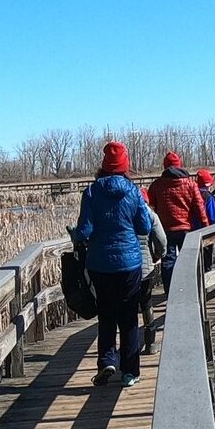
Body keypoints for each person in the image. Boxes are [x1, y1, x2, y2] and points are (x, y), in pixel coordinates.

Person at [68, 141, 151, 388]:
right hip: (129, 265)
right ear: (125, 165)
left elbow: (84, 231)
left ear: (103, 166)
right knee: (129, 318)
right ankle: (130, 372)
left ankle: (106, 362)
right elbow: (145, 227)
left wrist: (74, 235)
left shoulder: (92, 192)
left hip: (100, 265)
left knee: (106, 315)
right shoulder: (133, 191)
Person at [148, 151, 208, 291]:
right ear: (179, 165)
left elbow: (151, 208)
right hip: (186, 228)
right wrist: (206, 227)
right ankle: (190, 289)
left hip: (165, 229)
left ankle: (170, 291)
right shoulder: (190, 184)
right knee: (188, 261)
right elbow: (200, 208)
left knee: (168, 261)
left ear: (165, 166)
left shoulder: (157, 185)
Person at [137, 193, 166, 354]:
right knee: (146, 303)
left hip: (123, 270)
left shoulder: (121, 212)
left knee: (126, 307)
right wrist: (159, 255)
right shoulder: (150, 214)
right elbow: (161, 239)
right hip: (145, 268)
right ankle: (151, 343)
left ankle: (128, 345)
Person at [196, 168, 215, 270]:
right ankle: (207, 269)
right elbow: (213, 216)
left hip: (194, 230)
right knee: (207, 252)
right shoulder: (208, 197)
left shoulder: (194, 194)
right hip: (207, 229)